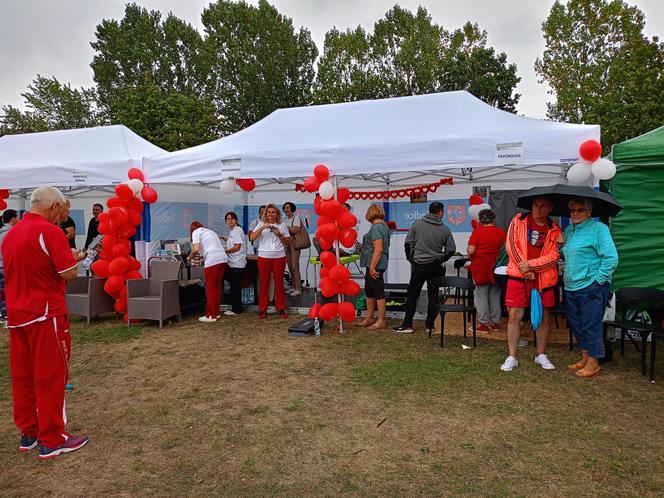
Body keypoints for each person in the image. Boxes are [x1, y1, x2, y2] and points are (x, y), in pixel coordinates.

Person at [2, 186, 88, 459]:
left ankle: (29, 432)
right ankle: (52, 438)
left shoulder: (10, 234)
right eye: (63, 209)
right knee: (51, 376)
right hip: (46, 313)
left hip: (17, 315)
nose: (64, 215)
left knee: (23, 376)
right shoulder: (50, 232)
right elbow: (67, 272)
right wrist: (74, 258)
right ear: (53, 207)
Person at [501, 196, 561, 372]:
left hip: (543, 279)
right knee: (514, 316)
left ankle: (540, 354)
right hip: (519, 276)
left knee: (544, 317)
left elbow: (554, 256)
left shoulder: (555, 229)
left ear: (550, 208)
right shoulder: (518, 220)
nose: (538, 209)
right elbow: (511, 245)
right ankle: (512, 356)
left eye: (543, 206)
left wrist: (531, 266)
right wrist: (524, 268)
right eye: (535, 205)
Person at [562, 198, 618, 378]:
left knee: (591, 324)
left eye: (579, 210)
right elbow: (567, 255)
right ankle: (585, 357)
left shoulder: (599, 229)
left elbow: (611, 257)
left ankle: (594, 362)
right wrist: (558, 245)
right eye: (572, 210)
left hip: (591, 285)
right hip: (571, 285)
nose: (575, 214)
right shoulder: (569, 230)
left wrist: (598, 280)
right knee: (577, 324)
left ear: (589, 212)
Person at [393, 201, 456, 334]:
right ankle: (429, 325)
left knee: (412, 295)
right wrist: (441, 259)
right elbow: (451, 249)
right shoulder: (445, 229)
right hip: (436, 267)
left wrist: (411, 260)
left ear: (429, 211)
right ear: (440, 212)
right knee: (433, 296)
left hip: (419, 266)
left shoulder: (417, 224)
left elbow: (408, 244)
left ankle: (407, 325)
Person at [467, 209, 507, 333]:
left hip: (481, 268)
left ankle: (484, 324)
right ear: (494, 219)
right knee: (495, 296)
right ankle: (495, 323)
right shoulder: (501, 232)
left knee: (481, 296)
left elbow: (471, 251)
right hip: (497, 268)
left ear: (480, 220)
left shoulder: (477, 232)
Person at [249, 204, 291, 319]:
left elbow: (288, 242)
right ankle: (262, 309)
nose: (271, 214)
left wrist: (279, 234)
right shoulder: (261, 224)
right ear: (265, 214)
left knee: (279, 283)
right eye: (269, 212)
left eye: (273, 212)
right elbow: (252, 237)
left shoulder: (282, 225)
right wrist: (262, 228)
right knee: (264, 283)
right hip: (264, 256)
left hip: (279, 256)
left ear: (277, 214)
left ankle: (281, 309)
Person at [358, 204, 390, 330]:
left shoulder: (377, 228)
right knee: (369, 291)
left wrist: (372, 267)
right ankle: (370, 317)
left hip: (375, 264)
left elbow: (378, 249)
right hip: (374, 263)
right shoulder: (383, 226)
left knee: (378, 292)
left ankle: (381, 321)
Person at [188, 222, 228, 323]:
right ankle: (216, 312)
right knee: (217, 287)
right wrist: (203, 259)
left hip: (212, 261)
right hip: (222, 259)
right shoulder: (210, 232)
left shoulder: (196, 232)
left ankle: (210, 315)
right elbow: (207, 250)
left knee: (210, 288)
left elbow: (196, 249)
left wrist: (190, 257)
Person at [223, 212, 247, 315]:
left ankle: (237, 309)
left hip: (237, 263)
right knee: (234, 286)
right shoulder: (233, 231)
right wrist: (226, 239)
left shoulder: (237, 230)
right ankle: (236, 308)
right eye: (228, 219)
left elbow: (237, 247)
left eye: (232, 218)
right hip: (234, 263)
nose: (230, 220)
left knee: (235, 287)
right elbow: (234, 242)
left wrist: (225, 251)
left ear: (236, 220)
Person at [0, 209, 20, 323]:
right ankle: (8, 315)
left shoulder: (2, 231)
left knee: (2, 292)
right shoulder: (11, 233)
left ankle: (4, 314)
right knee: (9, 291)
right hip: (6, 266)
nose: (19, 220)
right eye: (17, 217)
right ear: (13, 219)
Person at [283, 202, 303, 296]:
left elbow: (295, 230)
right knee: (290, 267)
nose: (286, 209)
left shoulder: (296, 218)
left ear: (292, 209)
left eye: (287, 208)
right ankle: (293, 287)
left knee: (295, 267)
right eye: (285, 208)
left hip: (294, 244)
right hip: (286, 244)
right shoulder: (284, 219)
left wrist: (285, 227)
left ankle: (298, 288)